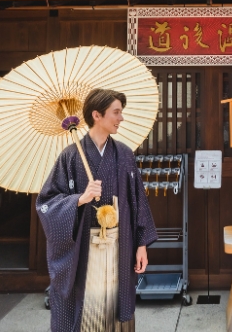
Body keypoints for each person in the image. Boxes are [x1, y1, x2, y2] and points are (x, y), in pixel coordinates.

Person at [37, 88, 158, 332]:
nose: (120, 118)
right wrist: (80, 199)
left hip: (119, 245)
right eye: (116, 112)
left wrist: (141, 244)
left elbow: (137, 201)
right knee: (87, 308)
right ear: (97, 115)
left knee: (116, 308)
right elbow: (47, 202)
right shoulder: (71, 156)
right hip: (85, 249)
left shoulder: (124, 154)